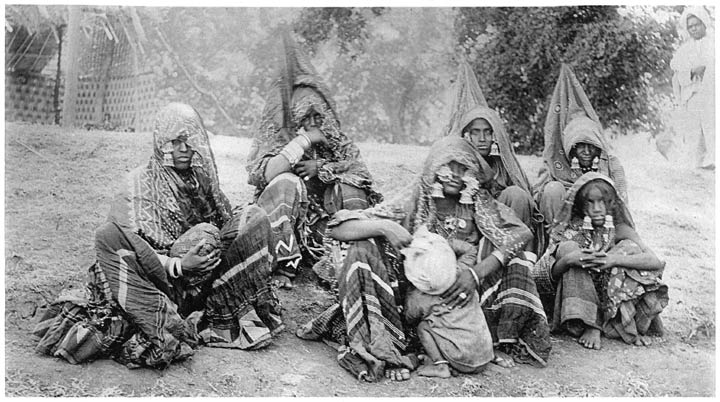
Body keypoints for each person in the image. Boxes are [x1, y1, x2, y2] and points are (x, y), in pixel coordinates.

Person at [33, 103, 284, 369]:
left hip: (202, 279)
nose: (184, 150)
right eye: (175, 142)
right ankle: (164, 319)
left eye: (189, 141)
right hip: (158, 281)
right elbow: (129, 245)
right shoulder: (139, 183)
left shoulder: (200, 180)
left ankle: (223, 317)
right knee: (108, 235)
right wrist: (179, 265)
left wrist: (211, 249)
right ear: (160, 142)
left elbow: (223, 224)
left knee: (253, 216)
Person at [296, 136, 551, 382]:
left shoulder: (477, 201)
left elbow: (520, 233)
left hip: (464, 296)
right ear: (434, 168)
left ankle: (496, 340)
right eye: (447, 165)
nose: (454, 173)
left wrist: (476, 273)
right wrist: (386, 227)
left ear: (471, 173)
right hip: (414, 299)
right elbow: (338, 229)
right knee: (363, 247)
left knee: (512, 258)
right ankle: (395, 343)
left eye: (462, 167)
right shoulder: (417, 197)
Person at [246, 34, 381, 289]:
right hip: (284, 227)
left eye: (317, 117)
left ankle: (357, 257)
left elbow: (360, 171)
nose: (312, 123)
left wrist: (322, 169)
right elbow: (266, 174)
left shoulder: (334, 138)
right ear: (293, 120)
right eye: (304, 119)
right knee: (286, 181)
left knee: (351, 189)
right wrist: (305, 140)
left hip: (323, 228)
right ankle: (282, 266)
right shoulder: (280, 137)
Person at [531, 172, 667, 350]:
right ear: (580, 205)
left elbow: (654, 261)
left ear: (611, 204)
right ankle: (591, 324)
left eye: (602, 201)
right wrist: (569, 260)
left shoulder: (619, 229)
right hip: (575, 302)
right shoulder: (569, 230)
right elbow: (543, 276)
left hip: (610, 300)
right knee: (568, 248)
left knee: (629, 248)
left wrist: (613, 259)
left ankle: (617, 323)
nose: (597, 208)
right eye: (590, 202)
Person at [446, 60, 541, 253]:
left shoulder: (502, 166)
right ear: (467, 135)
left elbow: (524, 202)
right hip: (467, 231)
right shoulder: (457, 165)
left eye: (487, 132)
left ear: (494, 136)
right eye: (476, 132)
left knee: (517, 194)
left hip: (503, 233)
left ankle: (518, 261)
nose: (482, 138)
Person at [533, 64, 628, 233]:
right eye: (579, 146)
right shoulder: (556, 163)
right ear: (569, 148)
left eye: (591, 146)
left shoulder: (612, 165)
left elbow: (622, 206)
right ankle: (556, 244)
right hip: (564, 226)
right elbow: (538, 198)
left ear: (598, 144)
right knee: (553, 189)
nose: (586, 151)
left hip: (601, 225)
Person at [402, 226, 494, 378]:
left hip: (460, 357)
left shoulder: (419, 298)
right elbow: (471, 250)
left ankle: (440, 366)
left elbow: (409, 317)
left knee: (423, 327)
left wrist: (409, 293)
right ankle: (453, 360)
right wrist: (447, 245)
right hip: (484, 354)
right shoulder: (462, 276)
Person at [670, 6, 715, 170]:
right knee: (695, 130)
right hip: (694, 94)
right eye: (690, 26)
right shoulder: (685, 49)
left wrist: (707, 69)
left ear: (704, 23)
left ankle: (714, 159)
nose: (694, 28)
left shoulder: (714, 43)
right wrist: (691, 71)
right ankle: (696, 163)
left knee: (712, 125)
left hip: (712, 94)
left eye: (697, 24)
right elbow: (677, 70)